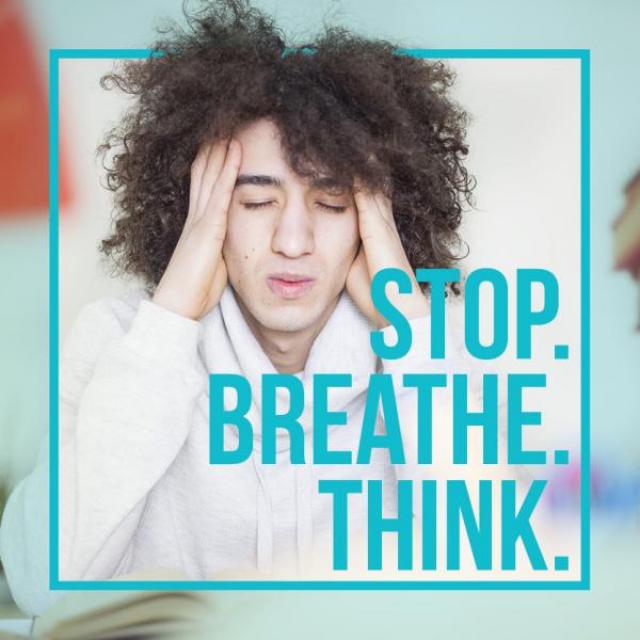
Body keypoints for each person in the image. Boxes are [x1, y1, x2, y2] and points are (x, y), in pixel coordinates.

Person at [0, 0, 474, 615]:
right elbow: (41, 584)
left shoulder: (435, 352)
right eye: (255, 203)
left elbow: (490, 571)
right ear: (202, 213)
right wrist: (170, 317)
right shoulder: (118, 342)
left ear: (373, 223)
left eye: (332, 203)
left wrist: (410, 328)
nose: (293, 241)